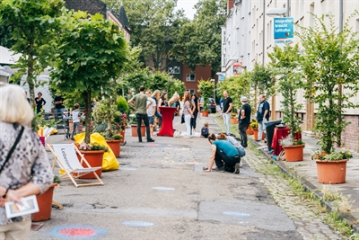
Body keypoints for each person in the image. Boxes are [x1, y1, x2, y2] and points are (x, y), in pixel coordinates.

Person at [0, 84, 53, 239]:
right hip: (20, 211)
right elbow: (45, 178)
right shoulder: (30, 136)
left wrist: (5, 193)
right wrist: (15, 194)